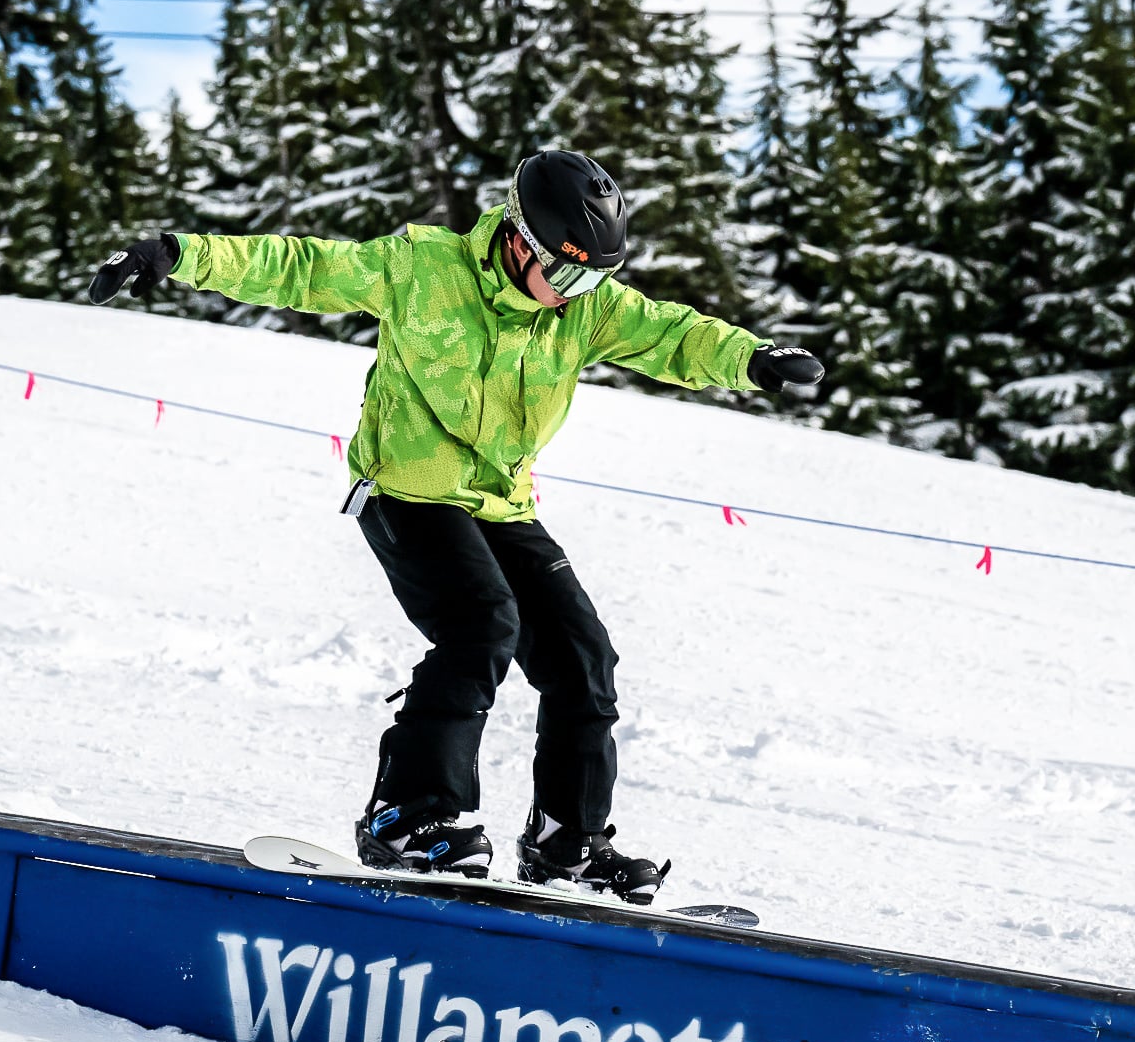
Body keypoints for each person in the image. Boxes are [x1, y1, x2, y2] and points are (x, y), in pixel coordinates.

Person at [88, 151, 825, 902]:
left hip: (500, 501)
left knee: (581, 653)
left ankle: (566, 842)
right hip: (405, 489)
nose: (578, 297)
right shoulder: (423, 267)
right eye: (567, 275)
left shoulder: (586, 304)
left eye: (594, 279)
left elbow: (675, 334)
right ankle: (407, 815)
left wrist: (755, 359)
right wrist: (174, 254)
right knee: (481, 624)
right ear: (519, 240)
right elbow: (303, 268)